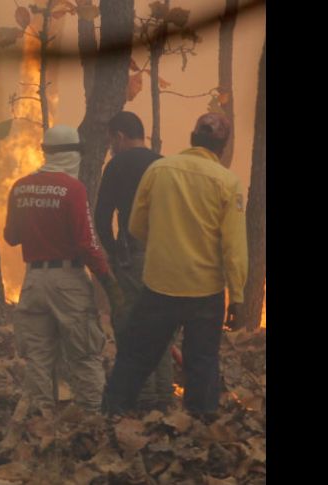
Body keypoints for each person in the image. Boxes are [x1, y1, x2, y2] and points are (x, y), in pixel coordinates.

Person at [101, 113, 248, 418]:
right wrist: (236, 296)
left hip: (160, 284)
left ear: (193, 138)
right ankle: (200, 424)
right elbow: (233, 246)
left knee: (137, 353)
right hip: (205, 291)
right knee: (202, 360)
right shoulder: (227, 182)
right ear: (222, 146)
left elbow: (137, 226)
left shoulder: (160, 170)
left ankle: (113, 413)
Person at [4, 124, 123, 415]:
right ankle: (92, 418)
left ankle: (41, 421)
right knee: (84, 352)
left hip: (33, 281)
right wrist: (108, 280)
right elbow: (86, 243)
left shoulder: (20, 186)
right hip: (67, 281)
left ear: (45, 151)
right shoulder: (73, 190)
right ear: (74, 154)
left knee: (39, 356)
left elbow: (11, 236)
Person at [94, 111, 173, 411]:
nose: (111, 147)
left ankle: (145, 397)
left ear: (120, 136)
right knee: (163, 322)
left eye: (111, 141)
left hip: (134, 256)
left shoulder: (117, 165)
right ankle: (165, 395)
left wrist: (114, 251)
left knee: (134, 324)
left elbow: (102, 217)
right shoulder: (165, 164)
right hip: (167, 256)